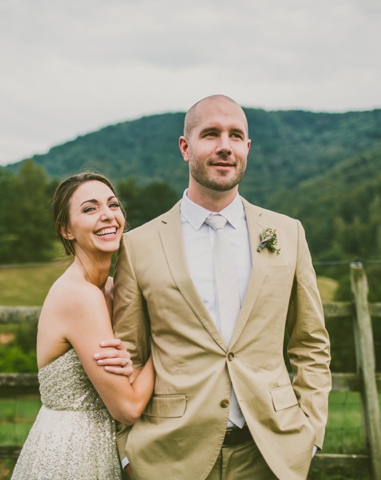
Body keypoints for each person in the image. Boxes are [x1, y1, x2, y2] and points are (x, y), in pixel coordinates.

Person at [112, 95, 332, 479]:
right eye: (210, 134)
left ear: (247, 147)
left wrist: (310, 434)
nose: (224, 146)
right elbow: (128, 353)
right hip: (169, 457)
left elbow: (310, 342)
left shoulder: (287, 233)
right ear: (185, 147)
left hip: (271, 455)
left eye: (235, 135)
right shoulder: (138, 245)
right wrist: (128, 450)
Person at [11, 172, 155, 480]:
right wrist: (167, 345)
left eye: (113, 205)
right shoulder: (80, 297)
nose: (107, 215)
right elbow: (127, 407)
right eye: (90, 209)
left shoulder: (113, 289)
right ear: (66, 230)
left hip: (107, 445)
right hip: (73, 452)